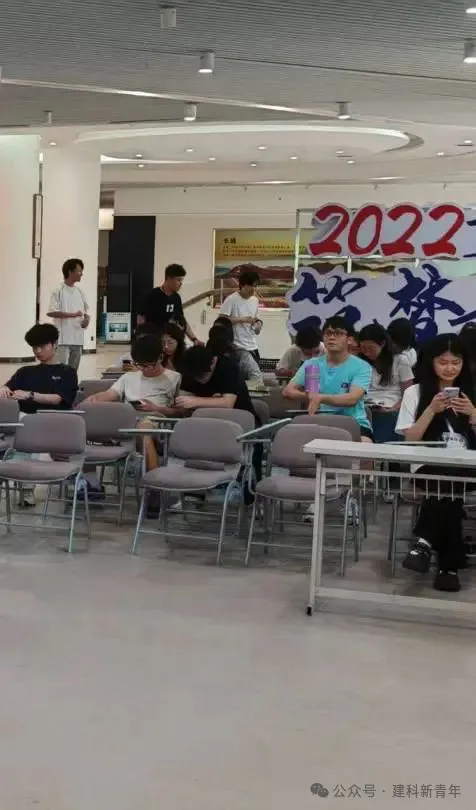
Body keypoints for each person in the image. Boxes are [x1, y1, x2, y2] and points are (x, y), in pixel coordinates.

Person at [396, 334, 476, 592]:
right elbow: (410, 440)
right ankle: (449, 568)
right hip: (426, 466)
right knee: (447, 483)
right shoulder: (415, 392)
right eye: (443, 362)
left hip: (468, 467)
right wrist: (431, 410)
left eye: (456, 362)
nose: (450, 368)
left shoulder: (472, 392)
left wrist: (473, 414)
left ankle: (424, 543)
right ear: (431, 362)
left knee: (449, 479)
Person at [283, 316, 373, 440]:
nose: (331, 337)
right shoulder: (313, 365)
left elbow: (352, 398)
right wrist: (310, 396)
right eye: (328, 333)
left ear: (350, 339)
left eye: (338, 333)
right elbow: (288, 391)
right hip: (320, 422)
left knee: (365, 444)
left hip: (354, 423)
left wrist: (320, 398)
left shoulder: (361, 366)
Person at [0, 323, 78, 413]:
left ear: (55, 344)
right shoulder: (25, 371)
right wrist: (4, 389)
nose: (38, 351)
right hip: (24, 417)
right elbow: (8, 388)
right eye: (35, 347)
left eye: (42, 346)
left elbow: (57, 399)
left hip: (55, 418)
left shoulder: (68, 372)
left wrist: (30, 395)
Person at [359, 323, 414, 443]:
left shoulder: (400, 360)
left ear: (382, 344)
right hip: (366, 407)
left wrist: (393, 409)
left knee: (389, 418)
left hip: (392, 407)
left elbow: (408, 394)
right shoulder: (360, 362)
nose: (367, 353)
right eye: (363, 349)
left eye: (371, 348)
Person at [140, 264, 202, 344]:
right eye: (178, 280)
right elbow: (141, 317)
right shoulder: (152, 295)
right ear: (168, 278)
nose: (181, 283)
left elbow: (182, 321)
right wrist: (142, 340)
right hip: (154, 341)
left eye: (181, 280)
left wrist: (194, 339)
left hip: (169, 340)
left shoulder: (176, 298)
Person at [47, 258, 90, 371]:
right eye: (79, 271)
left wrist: (86, 320)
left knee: (73, 371)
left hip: (78, 339)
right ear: (70, 272)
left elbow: (85, 313)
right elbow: (51, 312)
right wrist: (73, 315)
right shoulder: (58, 290)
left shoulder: (80, 292)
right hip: (63, 340)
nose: (81, 274)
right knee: (60, 371)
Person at [220, 270, 262, 369]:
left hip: (252, 345)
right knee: (246, 374)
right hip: (237, 346)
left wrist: (258, 325)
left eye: (256, 286)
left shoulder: (255, 300)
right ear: (242, 285)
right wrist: (243, 319)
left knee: (254, 375)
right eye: (251, 285)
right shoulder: (231, 299)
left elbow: (256, 319)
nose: (254, 289)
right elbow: (222, 320)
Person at [211, 316, 263, 384]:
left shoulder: (242, 356)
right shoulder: (205, 353)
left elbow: (257, 379)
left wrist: (240, 386)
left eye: (221, 333)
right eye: (216, 331)